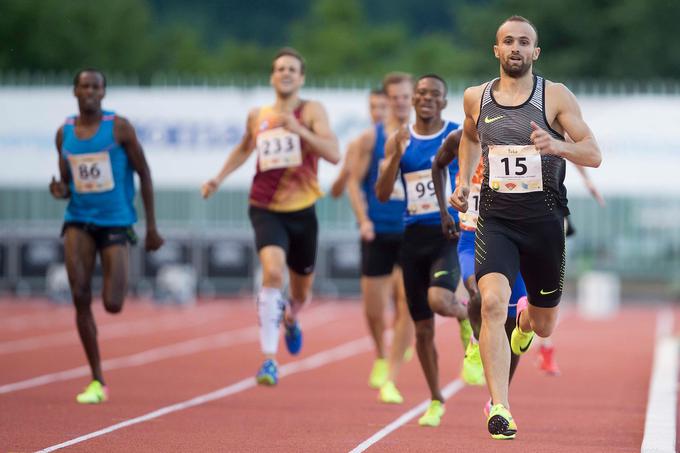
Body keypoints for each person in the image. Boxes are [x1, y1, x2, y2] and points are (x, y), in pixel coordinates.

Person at [450, 16, 601, 439]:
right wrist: (463, 182)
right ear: (496, 50)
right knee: (491, 301)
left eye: (524, 42)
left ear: (535, 52)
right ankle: (500, 407)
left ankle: (525, 327)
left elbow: (593, 153)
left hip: (545, 223)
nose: (515, 48)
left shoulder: (554, 96)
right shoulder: (475, 98)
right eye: (507, 41)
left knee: (544, 323)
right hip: (497, 220)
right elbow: (468, 137)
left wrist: (557, 145)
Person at [201, 48, 340, 386]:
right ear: (272, 76)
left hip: (302, 209)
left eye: (292, 69)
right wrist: (218, 178)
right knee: (273, 272)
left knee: (302, 291)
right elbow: (244, 148)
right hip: (265, 207)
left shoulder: (311, 110)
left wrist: (299, 130)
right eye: (280, 69)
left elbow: (334, 154)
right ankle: (268, 359)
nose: (286, 73)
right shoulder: (257, 115)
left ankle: (291, 318)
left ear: (301, 77)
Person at [49, 69, 164, 404]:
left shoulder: (119, 128)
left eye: (95, 87)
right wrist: (60, 190)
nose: (89, 91)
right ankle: (97, 379)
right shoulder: (64, 133)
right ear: (75, 91)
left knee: (112, 304)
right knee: (80, 295)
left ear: (103, 93)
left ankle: (108, 290)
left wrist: (152, 227)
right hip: (78, 220)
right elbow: (67, 181)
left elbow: (144, 173)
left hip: (116, 221)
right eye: (84, 86)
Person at [376, 74, 473, 427]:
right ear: (413, 100)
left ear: (444, 102)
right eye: (421, 93)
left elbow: (466, 178)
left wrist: (458, 210)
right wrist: (395, 157)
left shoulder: (454, 134)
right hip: (412, 238)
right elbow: (383, 192)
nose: (427, 98)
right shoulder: (399, 139)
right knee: (423, 330)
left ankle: (464, 316)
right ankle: (435, 399)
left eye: (435, 94)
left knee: (438, 300)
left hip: (446, 234)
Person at [433, 138, 528, 415]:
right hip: (471, 239)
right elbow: (437, 166)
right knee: (478, 292)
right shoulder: (460, 140)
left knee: (514, 326)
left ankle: (499, 398)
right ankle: (475, 339)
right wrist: (444, 212)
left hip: (509, 241)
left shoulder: (515, 140)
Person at [345, 74, 414, 404]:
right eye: (393, 98)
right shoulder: (369, 140)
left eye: (404, 97)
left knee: (407, 304)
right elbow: (353, 183)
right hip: (378, 230)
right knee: (374, 308)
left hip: (413, 230)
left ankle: (392, 373)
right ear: (385, 101)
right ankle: (381, 353)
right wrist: (363, 221)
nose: (399, 103)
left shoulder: (424, 136)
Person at [330, 88, 388, 198]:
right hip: (370, 212)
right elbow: (335, 192)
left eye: (383, 107)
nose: (377, 112)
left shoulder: (407, 141)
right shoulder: (357, 144)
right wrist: (347, 171)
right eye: (373, 107)